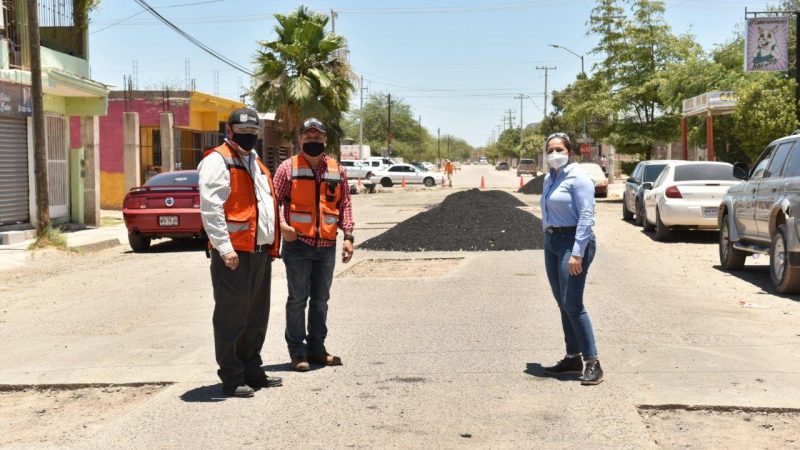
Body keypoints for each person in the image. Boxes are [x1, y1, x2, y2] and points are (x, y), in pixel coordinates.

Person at [198, 107, 283, 397]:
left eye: (253, 133)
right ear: (230, 131)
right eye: (243, 132)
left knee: (256, 316)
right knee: (231, 316)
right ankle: (233, 377)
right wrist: (224, 247)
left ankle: (252, 369)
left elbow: (264, 204)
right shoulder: (217, 160)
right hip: (234, 254)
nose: (248, 137)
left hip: (259, 251)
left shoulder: (256, 162)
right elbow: (211, 208)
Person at [273, 118, 355, 372]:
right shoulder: (287, 168)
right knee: (298, 299)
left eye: (317, 137)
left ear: (325, 140)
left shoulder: (336, 170)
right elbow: (273, 201)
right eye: (308, 137)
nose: (313, 141)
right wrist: (283, 227)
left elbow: (344, 205)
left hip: (327, 245)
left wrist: (349, 236)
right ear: (299, 140)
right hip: (298, 244)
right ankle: (298, 352)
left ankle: (317, 349)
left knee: (321, 300)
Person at [540, 132, 603, 385]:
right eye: (551, 150)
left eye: (559, 149)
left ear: (570, 152)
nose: (554, 154)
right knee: (561, 302)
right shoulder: (549, 178)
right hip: (552, 242)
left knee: (573, 303)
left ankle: (592, 362)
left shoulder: (579, 178)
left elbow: (587, 216)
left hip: (573, 244)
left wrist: (577, 252)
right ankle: (572, 357)